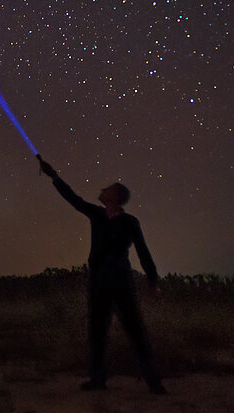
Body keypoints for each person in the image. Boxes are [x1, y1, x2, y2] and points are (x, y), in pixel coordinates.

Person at [37, 155, 166, 393]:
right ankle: (98, 380)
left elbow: (142, 251)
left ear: (115, 197)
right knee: (97, 332)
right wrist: (54, 176)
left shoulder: (129, 222)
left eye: (107, 189)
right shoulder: (97, 214)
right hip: (98, 281)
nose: (102, 190)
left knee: (135, 330)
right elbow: (73, 200)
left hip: (120, 281)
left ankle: (153, 382)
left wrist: (152, 279)